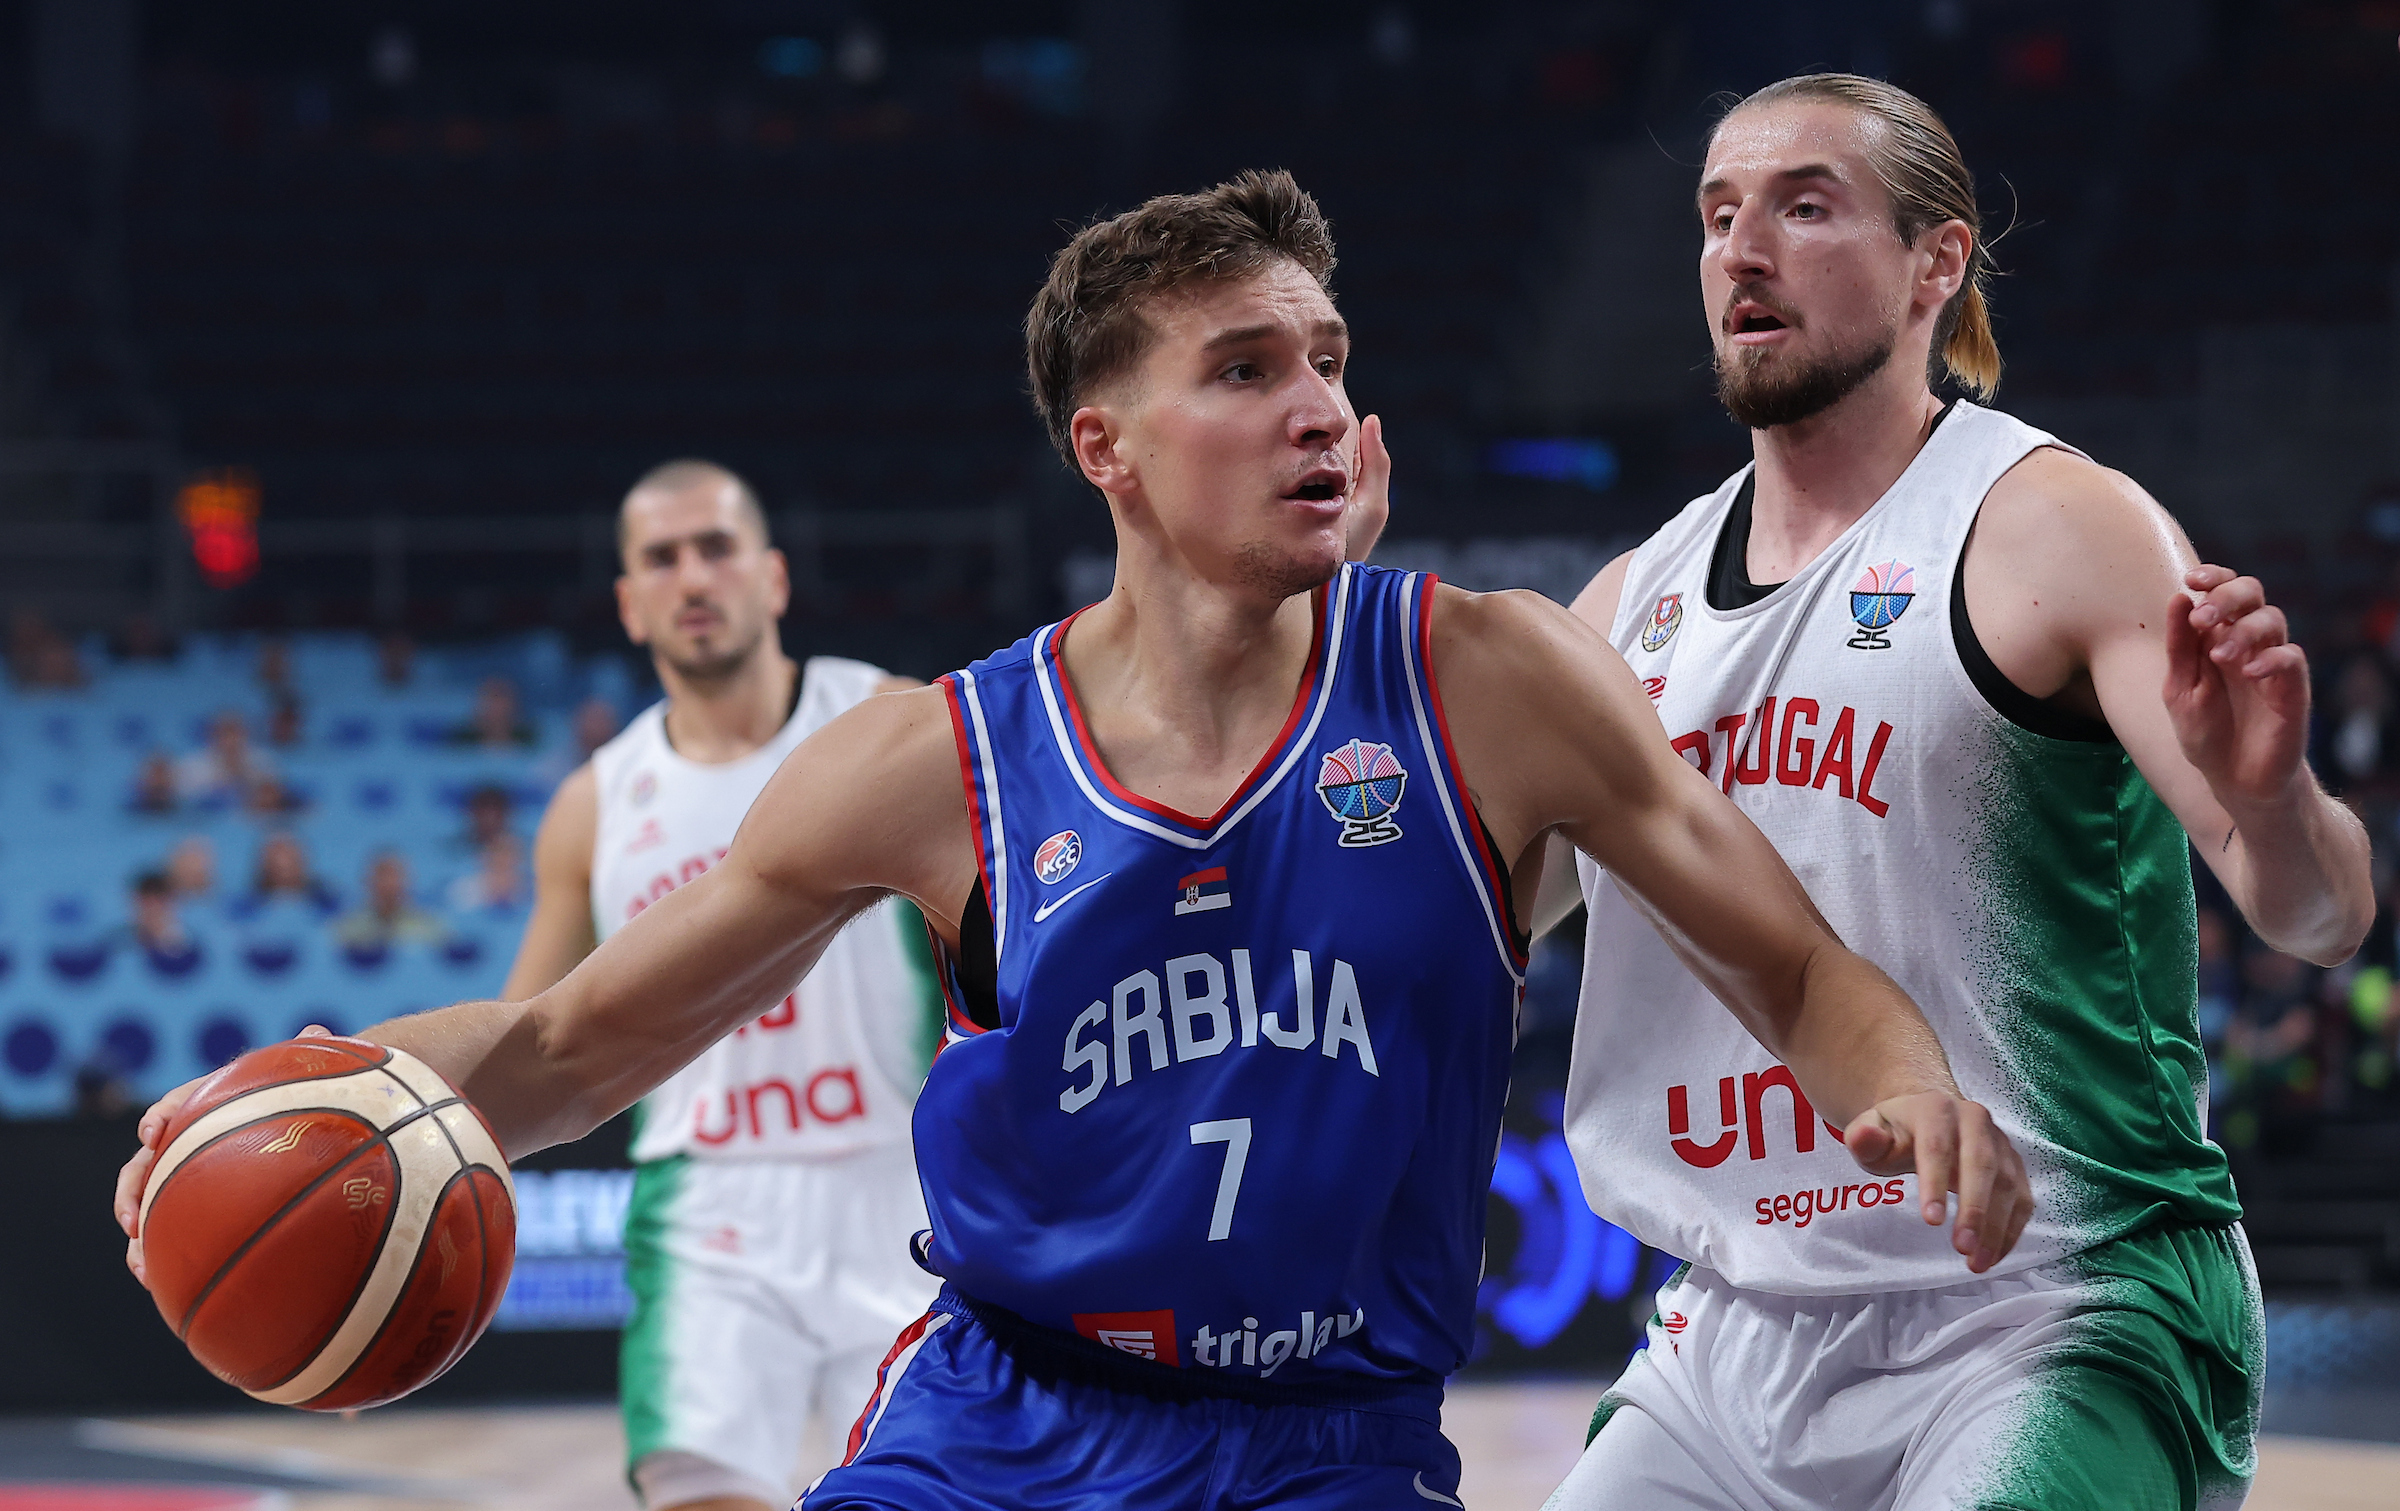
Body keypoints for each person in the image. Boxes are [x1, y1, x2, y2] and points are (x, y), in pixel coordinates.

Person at [118, 171, 2031, 1510]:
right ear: (1105, 445)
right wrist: (285, 1099)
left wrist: (1906, 1081)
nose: (1322, 410)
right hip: (1001, 1429)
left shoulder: (1489, 679)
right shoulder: (933, 760)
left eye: (1330, 359)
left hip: (1333, 1449)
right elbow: (559, 1050)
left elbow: (1791, 963)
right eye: (1246, 369)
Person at [1538, 75, 2374, 1511]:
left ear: (1938, 264)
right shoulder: (1633, 604)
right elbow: (1454, 913)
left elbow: (2317, 916)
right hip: (1740, 1325)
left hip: (2058, 1299)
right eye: (1718, 216)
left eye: (1806, 207)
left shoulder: (2053, 523)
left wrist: (2275, 793)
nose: (1744, 251)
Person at [494, 459, 946, 1511]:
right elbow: (526, 1035)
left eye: (717, 547)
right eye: (662, 557)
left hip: (909, 1187)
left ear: (774, 576)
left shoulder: (889, 720)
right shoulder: (597, 804)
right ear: (629, 601)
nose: (693, 576)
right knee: (696, 1490)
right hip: (709, 1206)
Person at [331, 851, 447, 952]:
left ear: (408, 882)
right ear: (367, 882)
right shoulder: (348, 926)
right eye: (381, 876)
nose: (388, 884)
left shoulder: (430, 926)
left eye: (394, 877)